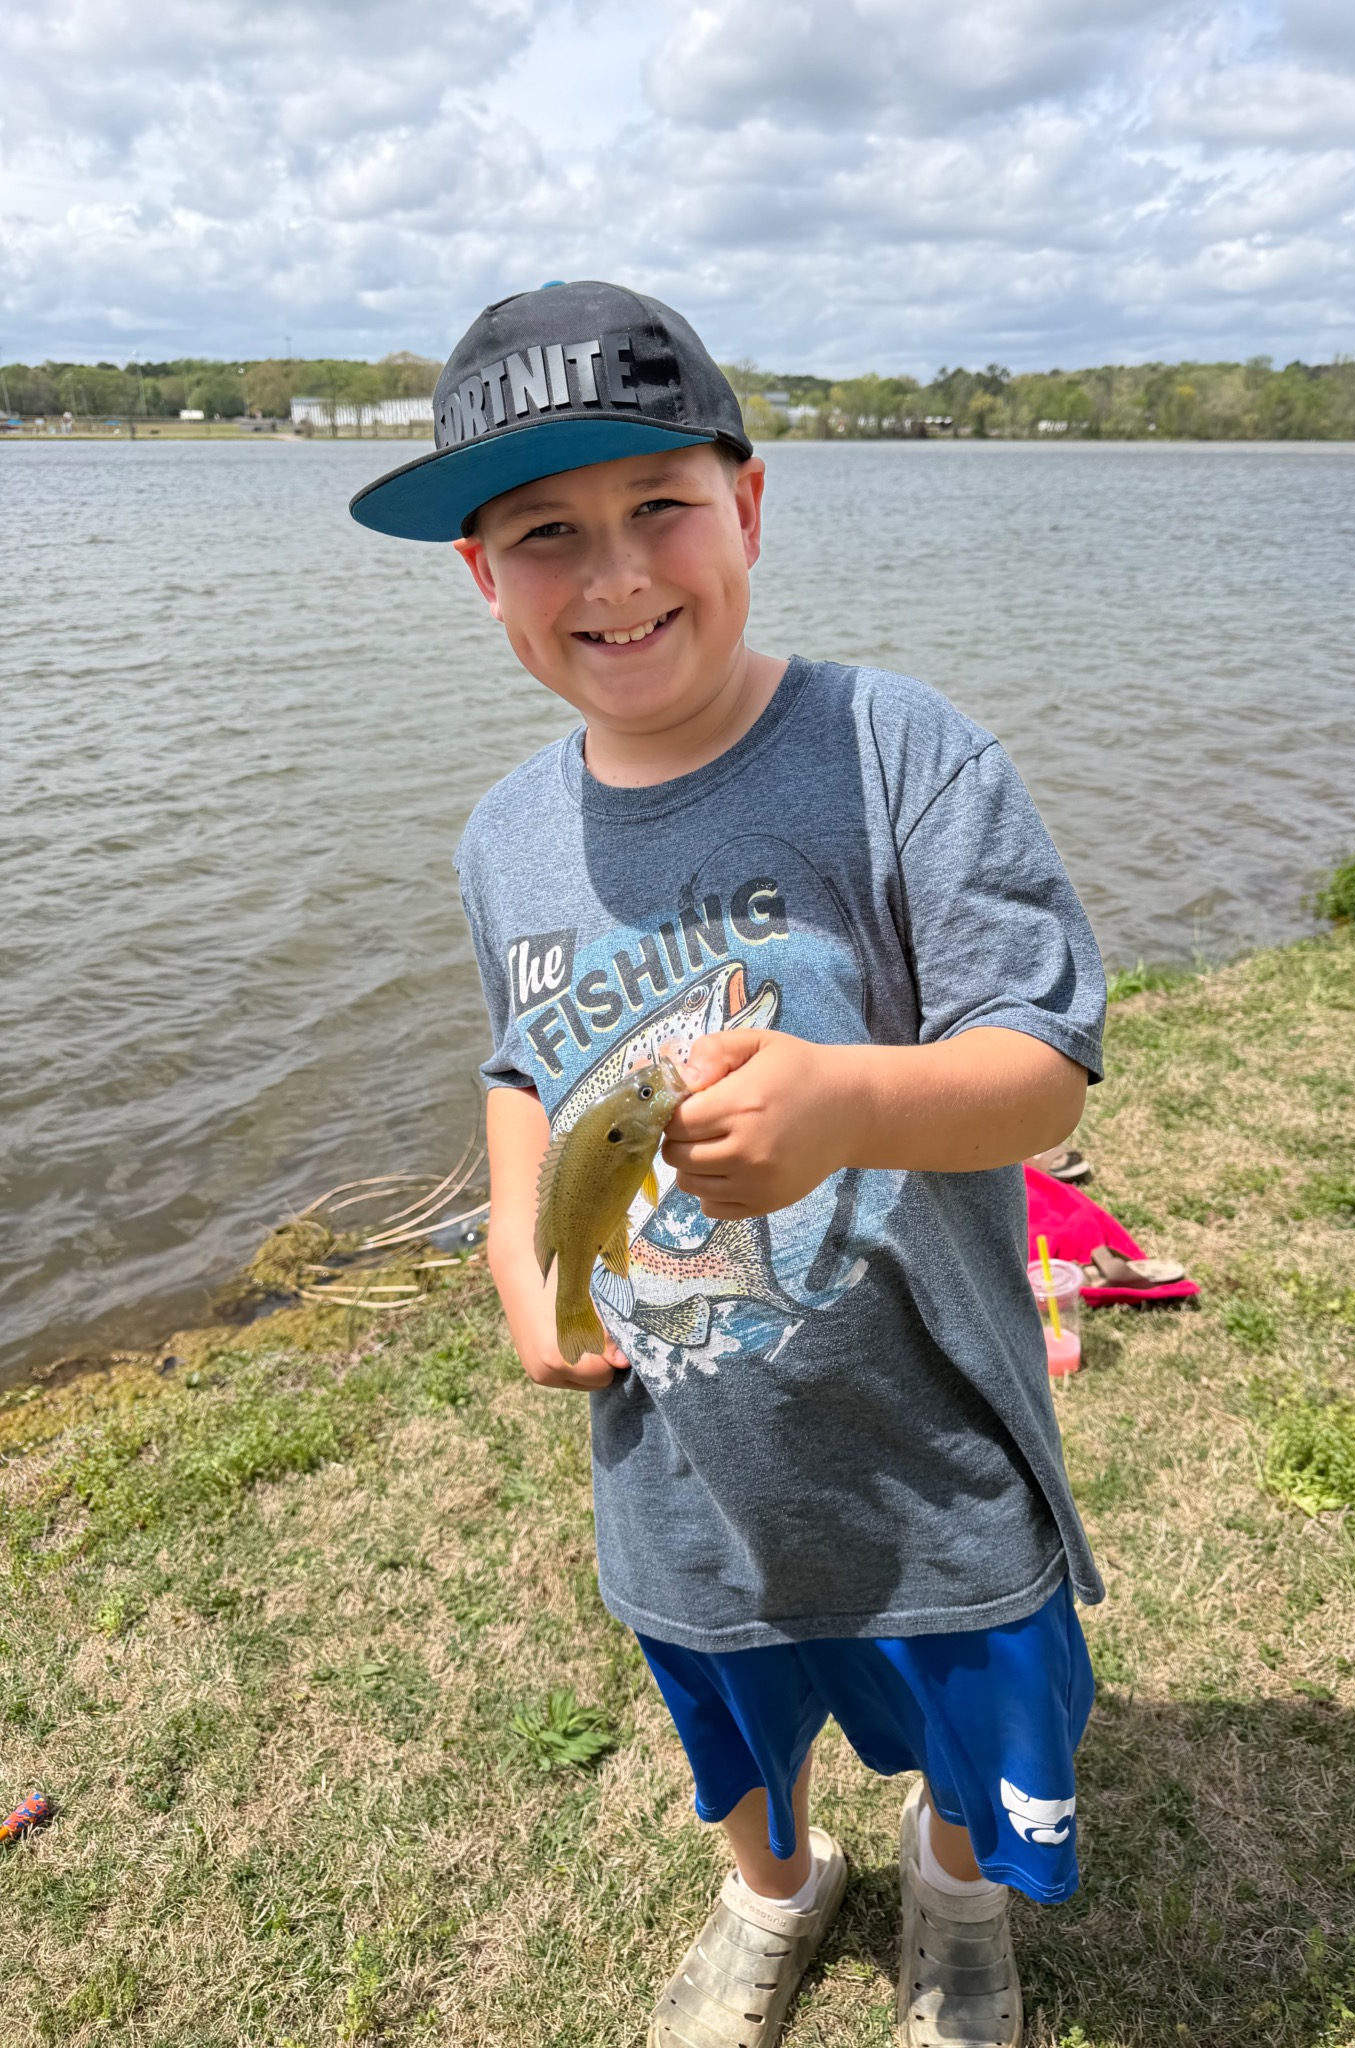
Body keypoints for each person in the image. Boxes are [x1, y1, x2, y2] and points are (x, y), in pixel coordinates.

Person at [350, 281, 1107, 2048]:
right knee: (733, 1712)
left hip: (928, 1454)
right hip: (680, 1465)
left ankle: (953, 1898)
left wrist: (849, 1105)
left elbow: (1041, 1070)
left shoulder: (898, 753)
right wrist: (519, 1250)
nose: (615, 575)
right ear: (480, 577)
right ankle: (774, 1892)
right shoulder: (504, 837)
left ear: (748, 507)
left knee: (969, 1725)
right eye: (546, 534)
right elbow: (520, 1067)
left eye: (659, 508)